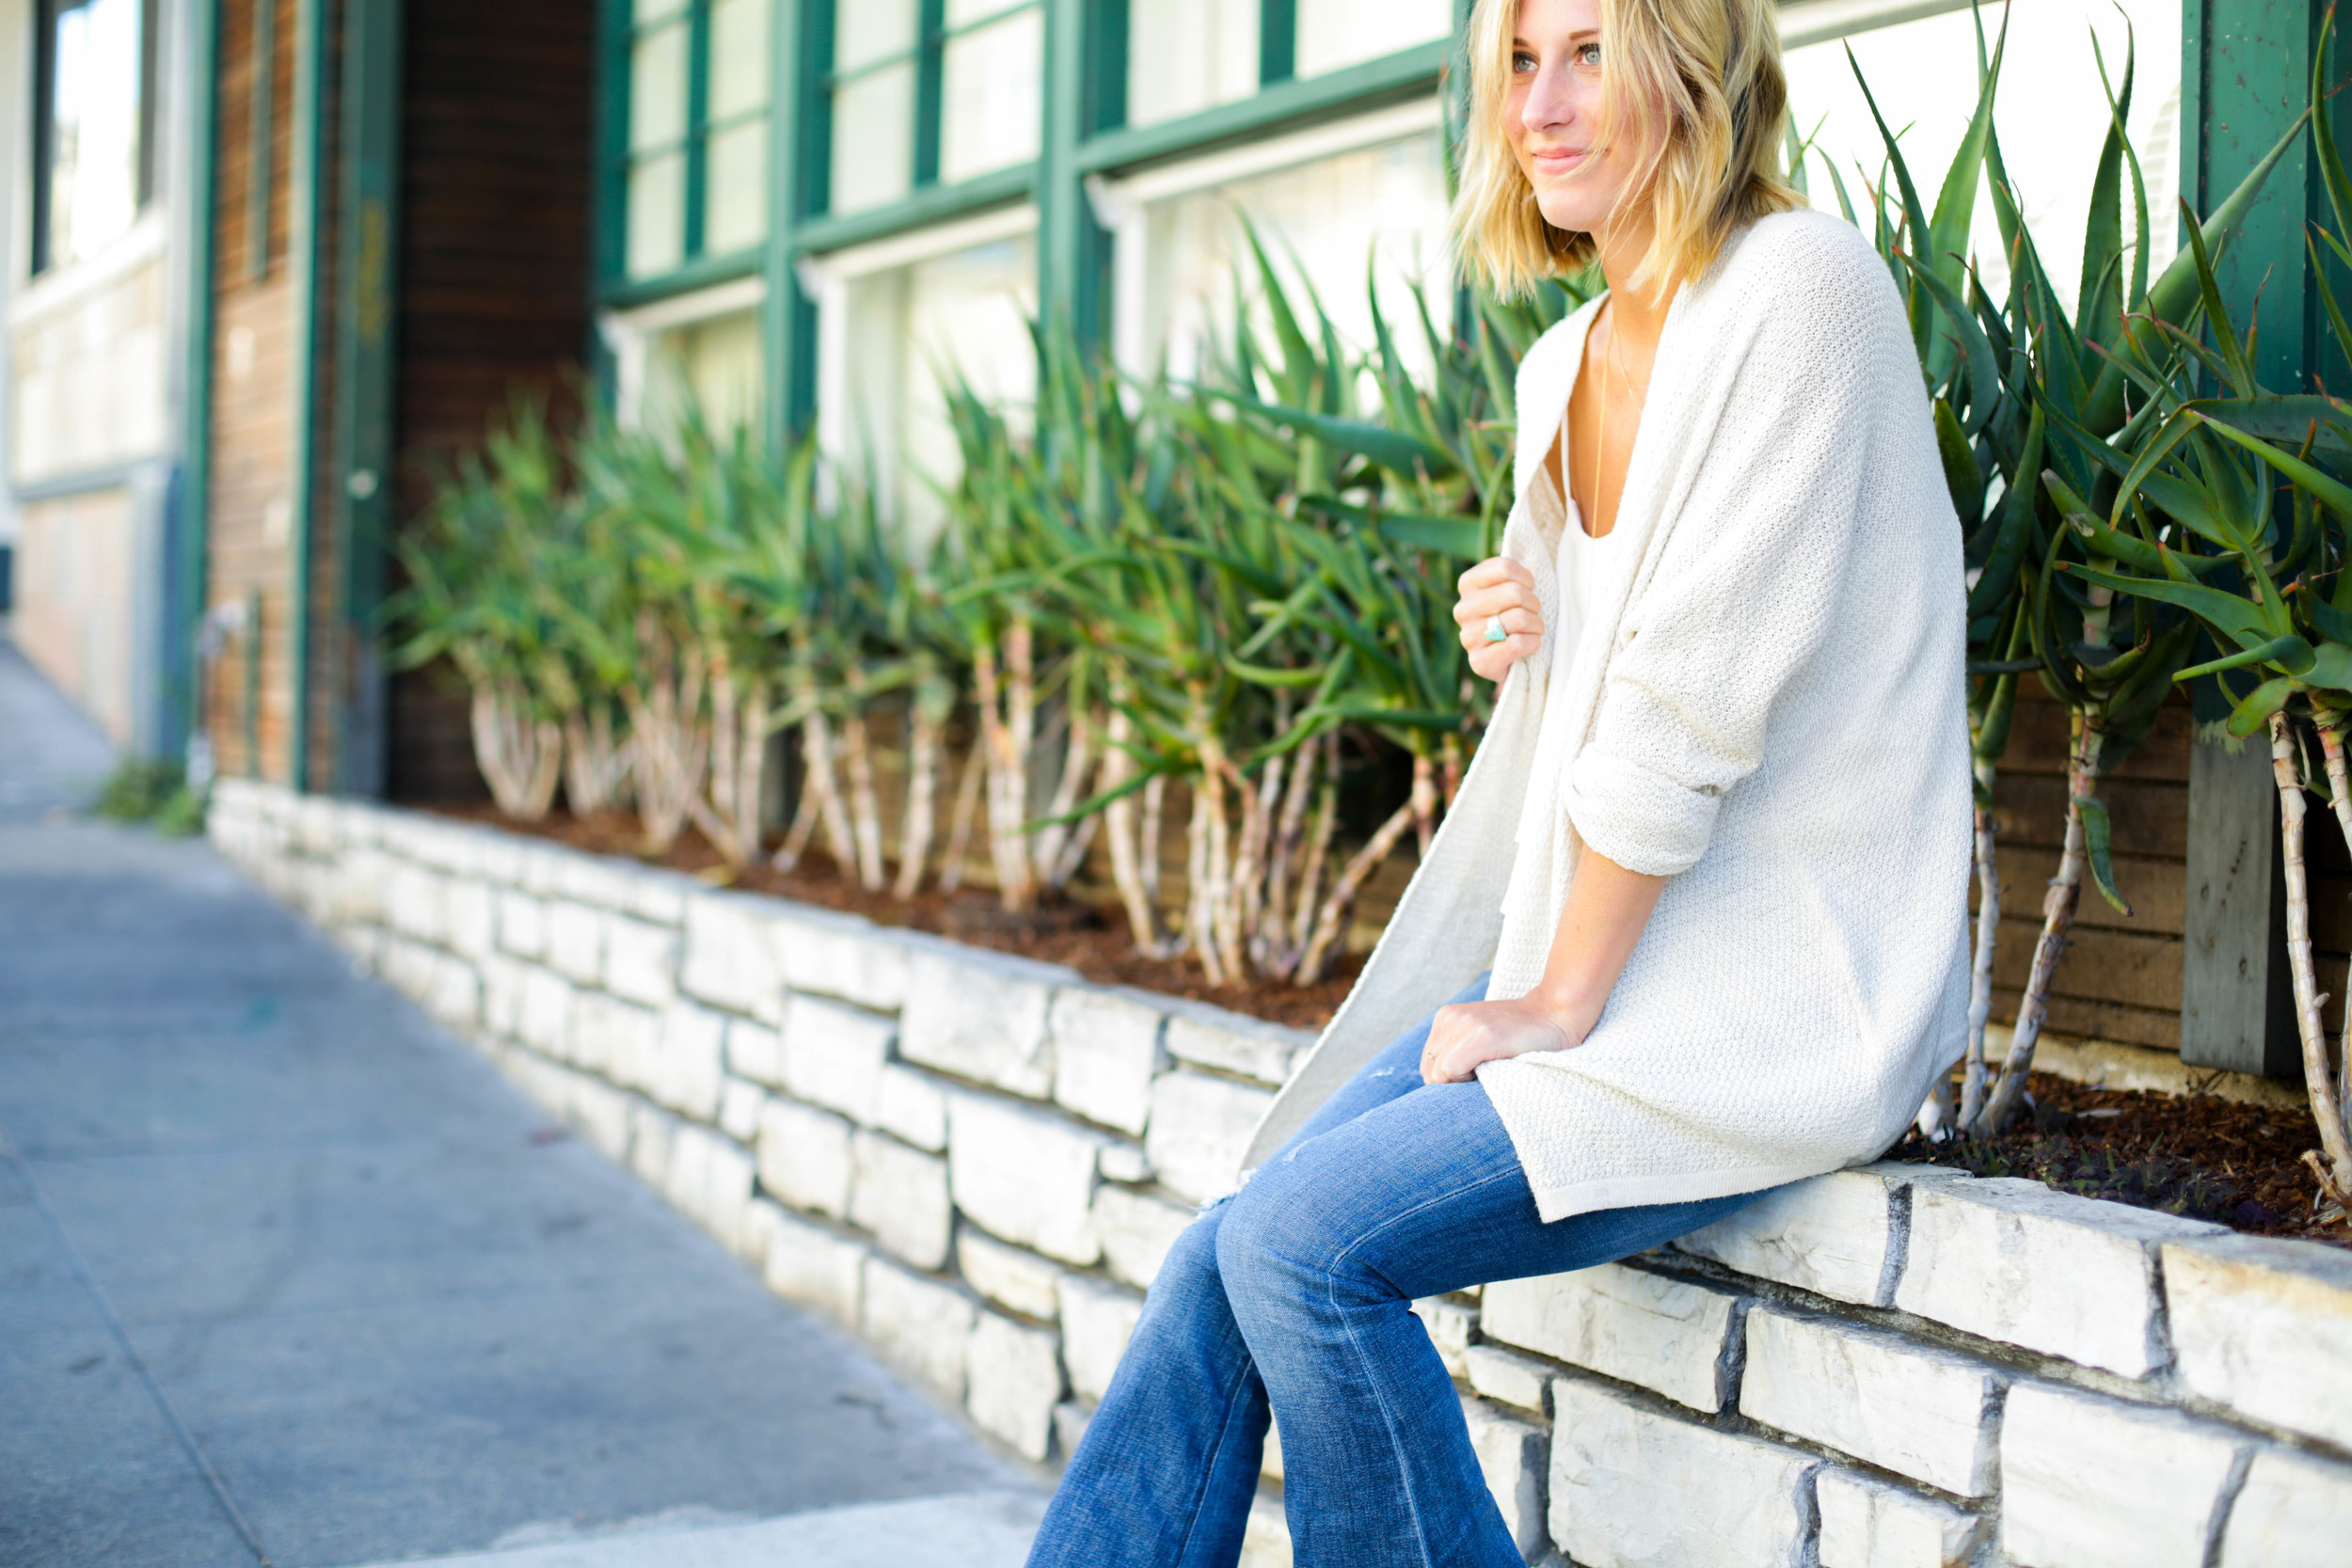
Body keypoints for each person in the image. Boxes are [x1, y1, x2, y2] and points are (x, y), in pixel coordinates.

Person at [1025, 0, 1971, 1560]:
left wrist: (1552, 1004)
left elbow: (1693, 704)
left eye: (1591, 51)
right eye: (1519, 64)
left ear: (1696, 60)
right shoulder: (1561, 362)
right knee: (1228, 1243)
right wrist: (1521, 623)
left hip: (1760, 1004)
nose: (1542, 105)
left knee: (1305, 1251)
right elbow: (1621, 670)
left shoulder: (1803, 292)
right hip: (1595, 973)